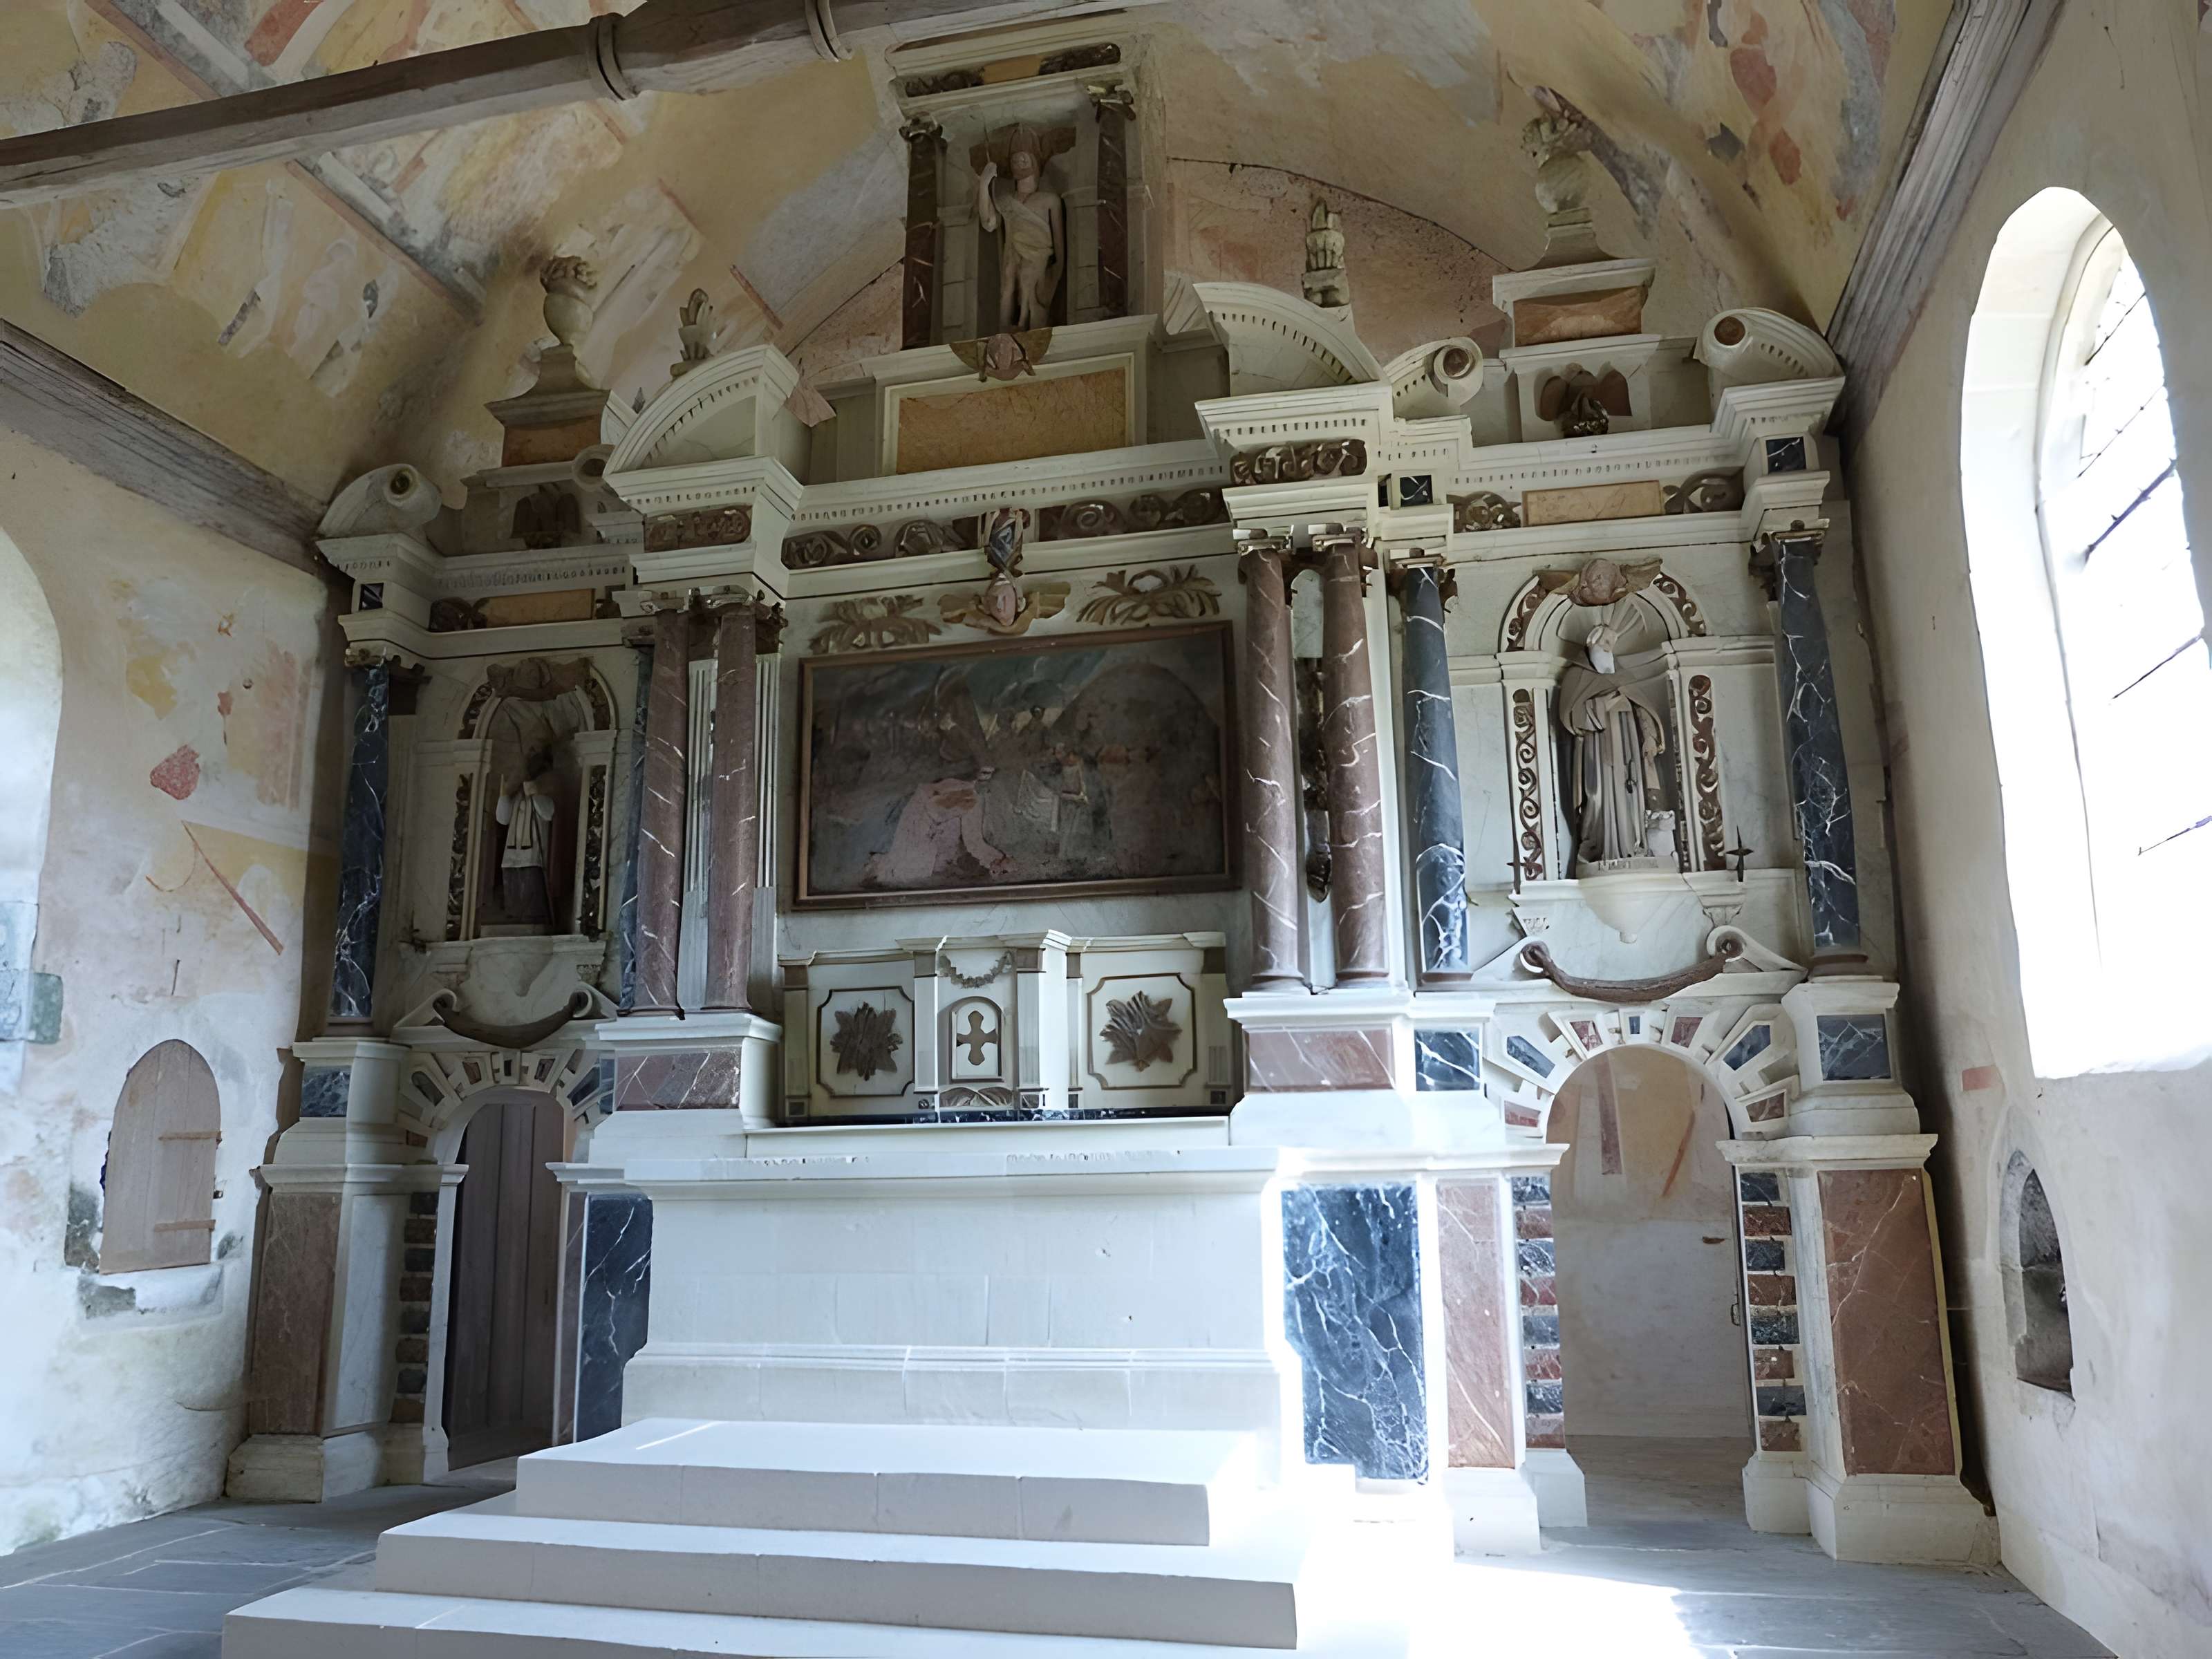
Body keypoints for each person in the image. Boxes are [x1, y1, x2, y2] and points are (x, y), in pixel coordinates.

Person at [975, 131, 1065, 332]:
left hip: (1038, 256)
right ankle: (1004, 330)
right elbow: (989, 222)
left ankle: (1027, 326)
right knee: (1007, 284)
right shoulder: (1007, 201)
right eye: (1015, 160)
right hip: (1012, 253)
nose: (1020, 162)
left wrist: (1055, 275)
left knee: (1028, 285)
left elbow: (1060, 250)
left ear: (1035, 162)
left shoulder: (1050, 200)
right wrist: (984, 184)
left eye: (1025, 158)